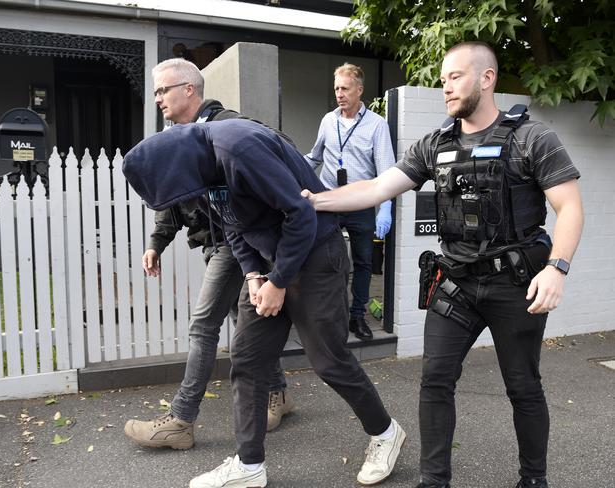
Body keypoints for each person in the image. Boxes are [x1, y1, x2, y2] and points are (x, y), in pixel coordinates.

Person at [301, 41, 583, 488]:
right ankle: (434, 481)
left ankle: (534, 480)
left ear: (486, 79)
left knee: (523, 388)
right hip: (457, 285)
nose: (444, 86)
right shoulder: (435, 143)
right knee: (434, 380)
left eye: (454, 76)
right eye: (443, 78)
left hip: (515, 285)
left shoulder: (532, 138)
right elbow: (377, 188)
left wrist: (557, 268)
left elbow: (569, 208)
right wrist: (316, 201)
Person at [123, 117, 407, 488]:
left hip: (316, 253)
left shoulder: (238, 150)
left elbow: (301, 213)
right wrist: (256, 276)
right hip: (270, 263)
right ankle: (249, 465)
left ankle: (386, 433)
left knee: (328, 360)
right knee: (248, 358)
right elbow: (231, 227)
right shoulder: (198, 169)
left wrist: (279, 280)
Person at [123, 59, 293, 452]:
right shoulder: (175, 135)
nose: (157, 98)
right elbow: (171, 193)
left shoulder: (227, 125)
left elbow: (270, 158)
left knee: (203, 324)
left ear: (189, 90)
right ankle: (279, 392)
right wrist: (156, 241)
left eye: (163, 90)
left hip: (237, 242)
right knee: (242, 319)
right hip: (216, 241)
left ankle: (180, 421)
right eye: (155, 92)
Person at [305, 63, 395, 340]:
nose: (339, 94)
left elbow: (387, 173)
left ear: (359, 90)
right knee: (326, 260)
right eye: (336, 89)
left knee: (364, 262)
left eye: (345, 88)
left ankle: (358, 316)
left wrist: (385, 209)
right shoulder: (327, 121)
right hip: (331, 199)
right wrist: (292, 169)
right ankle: (332, 316)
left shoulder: (377, 125)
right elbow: (314, 157)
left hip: (361, 202)